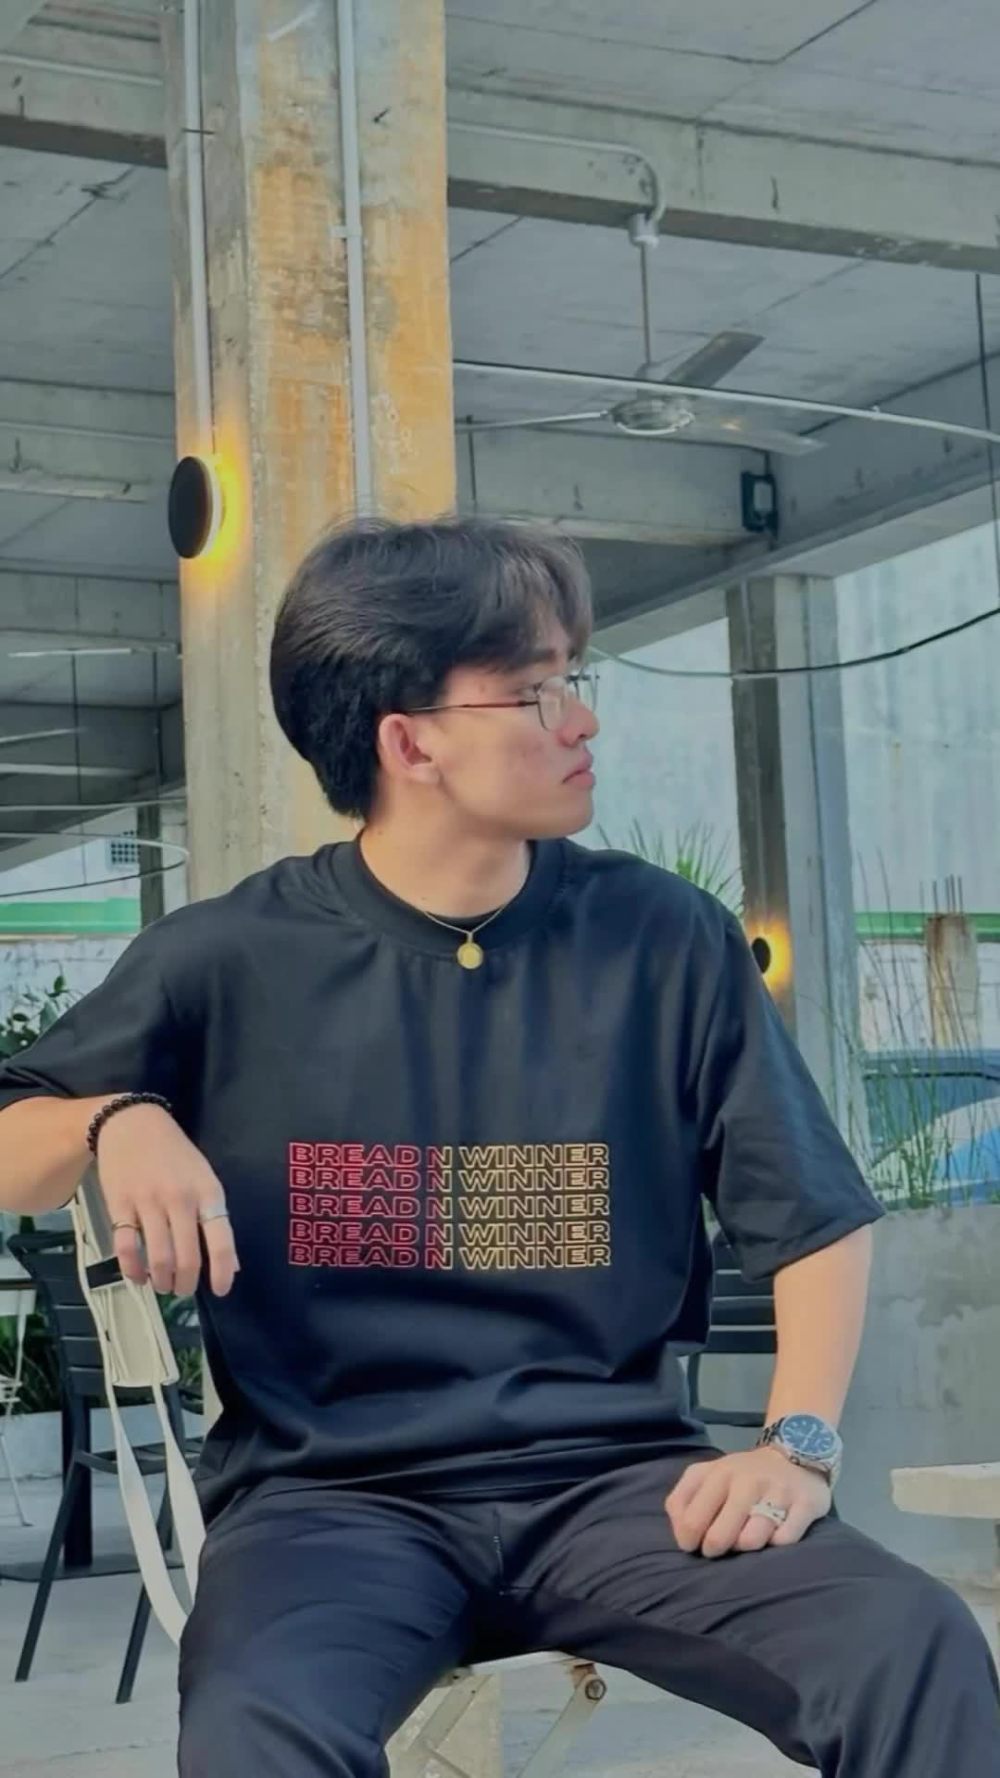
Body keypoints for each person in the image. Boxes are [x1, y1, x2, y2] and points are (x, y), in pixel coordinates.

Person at [0, 517, 996, 1777]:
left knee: (910, 1642)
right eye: (536, 690)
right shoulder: (224, 956)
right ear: (408, 741)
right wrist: (113, 1115)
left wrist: (796, 1442)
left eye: (575, 677)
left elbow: (810, 1214)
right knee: (257, 1730)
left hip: (619, 1484)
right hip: (328, 1504)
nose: (583, 718)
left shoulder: (662, 936)